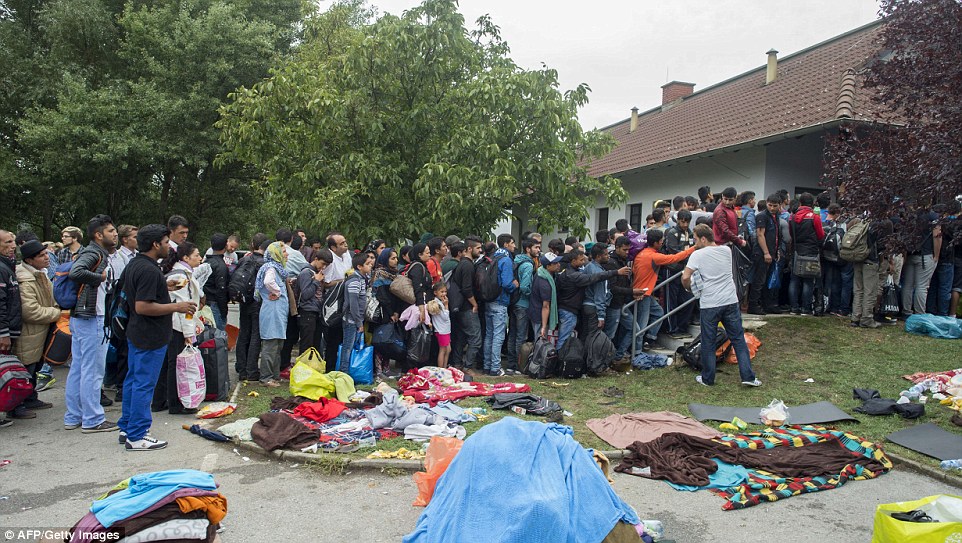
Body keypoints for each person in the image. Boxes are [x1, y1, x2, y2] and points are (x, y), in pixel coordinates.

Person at [119, 224, 196, 451]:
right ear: (155, 244)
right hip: (149, 335)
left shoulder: (137, 264)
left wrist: (166, 285)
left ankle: (127, 426)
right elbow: (142, 306)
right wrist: (177, 307)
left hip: (137, 332)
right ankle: (137, 435)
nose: (168, 247)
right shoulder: (149, 270)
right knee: (144, 383)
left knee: (133, 380)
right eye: (165, 243)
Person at [682, 224, 761, 387]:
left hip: (710, 303)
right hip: (730, 300)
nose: (695, 243)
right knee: (738, 339)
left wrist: (689, 286)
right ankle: (748, 377)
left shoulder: (697, 255)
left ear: (703, 239)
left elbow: (685, 276)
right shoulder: (727, 251)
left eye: (696, 239)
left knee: (708, 341)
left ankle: (707, 378)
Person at [64, 215, 118, 433]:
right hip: (91, 317)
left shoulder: (92, 252)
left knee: (79, 368)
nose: (115, 234)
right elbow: (75, 272)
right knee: (92, 370)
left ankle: (74, 416)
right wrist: (100, 277)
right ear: (99, 235)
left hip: (81, 317)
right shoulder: (94, 252)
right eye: (111, 231)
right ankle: (93, 419)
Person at [152, 241, 204, 415]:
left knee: (169, 363)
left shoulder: (180, 272)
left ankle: (160, 401)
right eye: (196, 255)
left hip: (172, 323)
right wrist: (189, 333)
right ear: (186, 257)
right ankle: (176, 403)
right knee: (177, 364)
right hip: (177, 325)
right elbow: (184, 307)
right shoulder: (181, 276)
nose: (200, 258)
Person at [11, 239, 59, 420]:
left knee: (34, 366)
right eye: (42, 255)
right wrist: (57, 313)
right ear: (30, 260)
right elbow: (29, 311)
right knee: (25, 369)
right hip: (29, 332)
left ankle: (31, 398)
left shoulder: (39, 273)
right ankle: (17, 406)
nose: (47, 258)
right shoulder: (25, 278)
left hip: (39, 331)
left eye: (46, 253)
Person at [632, 229, 696, 350]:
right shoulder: (653, 256)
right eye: (661, 241)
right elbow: (675, 258)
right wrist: (693, 248)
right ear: (656, 243)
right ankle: (638, 350)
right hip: (643, 294)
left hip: (645, 292)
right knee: (642, 323)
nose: (662, 243)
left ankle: (650, 338)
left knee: (658, 313)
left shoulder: (642, 253)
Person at [555, 249, 628, 350]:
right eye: (581, 260)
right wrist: (616, 272)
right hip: (569, 311)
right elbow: (593, 278)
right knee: (564, 339)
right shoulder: (573, 275)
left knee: (583, 336)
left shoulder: (573, 271)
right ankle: (559, 363)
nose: (583, 262)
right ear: (573, 261)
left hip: (571, 309)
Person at [482, 234, 518, 377]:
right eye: (512, 243)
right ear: (506, 245)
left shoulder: (492, 257)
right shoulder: (506, 260)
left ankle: (487, 365)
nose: (514, 246)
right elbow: (507, 283)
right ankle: (495, 367)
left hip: (489, 299)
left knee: (489, 334)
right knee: (498, 335)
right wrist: (514, 285)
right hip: (500, 301)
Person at [255, 242, 289, 387]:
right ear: (276, 254)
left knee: (278, 344)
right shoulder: (271, 268)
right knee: (270, 346)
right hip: (272, 312)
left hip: (278, 312)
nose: (286, 254)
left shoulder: (279, 269)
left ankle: (274, 376)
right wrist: (278, 292)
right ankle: (266, 377)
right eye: (284, 251)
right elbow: (268, 282)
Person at [236, 234, 268, 381]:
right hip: (258, 302)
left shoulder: (244, 260)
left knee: (243, 333)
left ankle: (241, 368)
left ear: (253, 243)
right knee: (256, 335)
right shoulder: (264, 263)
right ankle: (252, 370)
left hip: (244, 301)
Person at [604, 236, 641, 362]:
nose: (627, 252)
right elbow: (612, 288)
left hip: (622, 304)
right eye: (624, 250)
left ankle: (617, 356)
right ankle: (604, 360)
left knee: (635, 328)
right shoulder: (611, 263)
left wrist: (632, 294)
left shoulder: (623, 261)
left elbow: (623, 284)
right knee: (610, 334)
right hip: (613, 305)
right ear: (617, 248)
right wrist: (631, 291)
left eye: (628, 250)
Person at [788, 192, 826, 315]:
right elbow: (820, 234)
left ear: (800, 203)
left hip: (796, 251)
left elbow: (790, 233)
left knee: (794, 280)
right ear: (812, 203)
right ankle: (806, 308)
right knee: (808, 281)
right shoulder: (814, 217)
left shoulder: (792, 216)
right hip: (811, 252)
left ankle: (794, 307)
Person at [507, 237, 539, 373]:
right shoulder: (528, 265)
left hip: (514, 302)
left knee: (512, 334)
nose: (538, 250)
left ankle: (511, 364)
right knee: (521, 336)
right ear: (528, 249)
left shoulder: (517, 260)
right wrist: (533, 294)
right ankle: (520, 365)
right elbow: (525, 287)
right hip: (523, 304)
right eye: (536, 247)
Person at [747, 194, 784, 315]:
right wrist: (766, 253)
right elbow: (760, 235)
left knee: (768, 280)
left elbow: (777, 236)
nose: (772, 208)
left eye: (775, 206)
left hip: (772, 252)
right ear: (766, 203)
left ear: (779, 205)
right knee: (759, 280)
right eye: (770, 205)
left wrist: (776, 251)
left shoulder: (776, 216)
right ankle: (753, 305)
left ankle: (766, 304)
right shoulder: (762, 216)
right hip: (762, 253)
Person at [851, 218, 891, 329]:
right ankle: (867, 319)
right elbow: (885, 245)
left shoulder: (863, 222)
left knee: (858, 290)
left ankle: (855, 317)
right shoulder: (885, 223)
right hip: (871, 260)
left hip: (858, 258)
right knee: (870, 291)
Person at [662, 209, 696, 339]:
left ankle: (682, 327)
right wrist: (689, 257)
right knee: (672, 301)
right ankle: (672, 329)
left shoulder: (691, 233)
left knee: (688, 300)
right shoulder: (672, 233)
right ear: (678, 220)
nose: (685, 224)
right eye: (683, 221)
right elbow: (674, 251)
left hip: (686, 271)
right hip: (672, 270)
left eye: (687, 222)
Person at [450, 238, 482, 369]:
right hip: (467, 307)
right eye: (478, 248)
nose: (480, 251)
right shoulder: (468, 265)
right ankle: (468, 366)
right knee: (476, 339)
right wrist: (474, 304)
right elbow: (467, 288)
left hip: (460, 307)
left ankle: (457, 363)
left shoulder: (462, 264)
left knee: (461, 338)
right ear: (469, 249)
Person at [339, 251, 374, 372]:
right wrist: (359, 322)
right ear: (359, 266)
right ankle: (344, 372)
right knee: (347, 347)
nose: (371, 266)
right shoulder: (355, 281)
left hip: (355, 319)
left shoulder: (361, 279)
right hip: (351, 320)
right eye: (368, 263)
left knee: (350, 345)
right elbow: (352, 304)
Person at [296, 248, 332, 358]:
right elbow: (306, 294)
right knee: (306, 345)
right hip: (307, 312)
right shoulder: (306, 272)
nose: (324, 267)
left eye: (326, 266)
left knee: (315, 345)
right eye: (323, 264)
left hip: (316, 312)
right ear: (316, 259)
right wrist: (316, 281)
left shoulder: (317, 273)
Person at [323, 232, 351, 365]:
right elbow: (325, 283)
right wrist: (343, 281)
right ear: (333, 248)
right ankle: (330, 367)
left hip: (347, 300)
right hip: (333, 302)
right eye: (341, 244)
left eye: (345, 242)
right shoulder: (330, 259)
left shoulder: (347, 255)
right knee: (332, 339)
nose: (345, 245)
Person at [529, 255, 562, 339]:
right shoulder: (545, 284)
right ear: (548, 266)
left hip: (535, 312)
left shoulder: (540, 272)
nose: (559, 264)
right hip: (539, 316)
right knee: (540, 342)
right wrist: (543, 327)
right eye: (555, 263)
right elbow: (546, 306)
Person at [203, 233, 231, 331]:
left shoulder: (206, 262)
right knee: (218, 336)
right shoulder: (220, 266)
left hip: (205, 302)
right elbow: (221, 289)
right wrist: (224, 310)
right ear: (226, 245)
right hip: (215, 304)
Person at [428, 282, 451, 368]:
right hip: (441, 331)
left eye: (445, 292)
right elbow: (445, 317)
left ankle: (444, 367)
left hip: (445, 330)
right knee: (443, 350)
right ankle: (441, 368)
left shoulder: (440, 302)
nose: (444, 294)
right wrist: (446, 305)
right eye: (441, 292)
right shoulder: (437, 304)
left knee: (448, 349)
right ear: (435, 292)